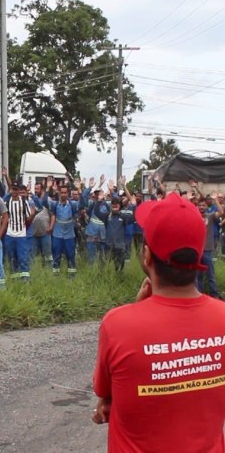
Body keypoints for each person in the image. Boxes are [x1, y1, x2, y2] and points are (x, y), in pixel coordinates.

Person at [92, 192, 225, 452]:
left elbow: (107, 393)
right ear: (199, 257)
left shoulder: (117, 324)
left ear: (147, 256)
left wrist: (138, 310)